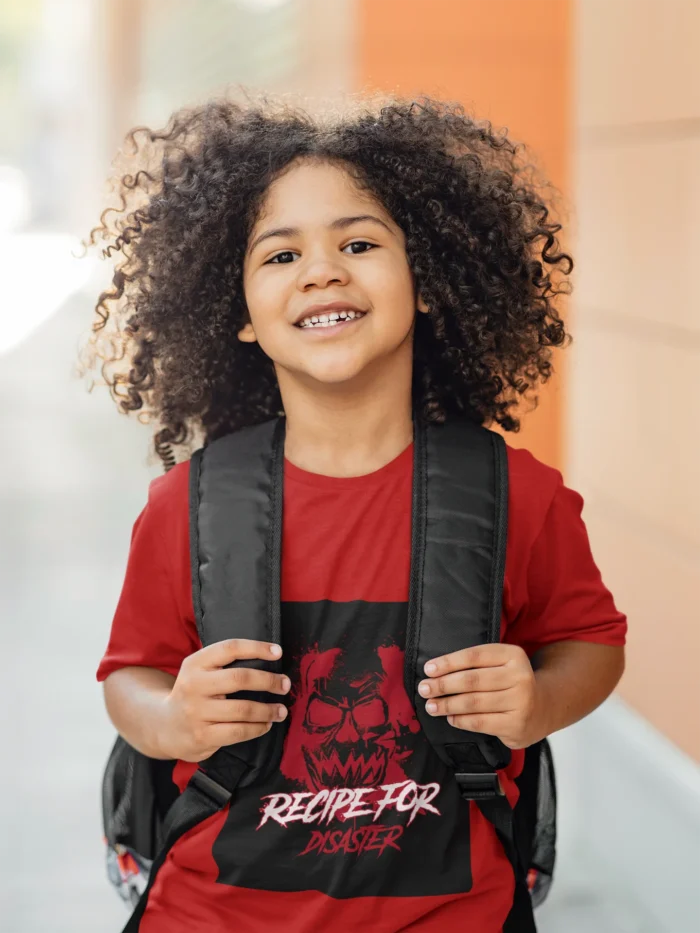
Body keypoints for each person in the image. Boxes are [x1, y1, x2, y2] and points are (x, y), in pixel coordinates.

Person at [86, 93, 626, 932]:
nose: (321, 271)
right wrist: (172, 717)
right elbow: (130, 675)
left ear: (431, 281)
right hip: (213, 913)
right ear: (236, 313)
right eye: (279, 255)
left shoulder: (517, 495)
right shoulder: (187, 506)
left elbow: (591, 644)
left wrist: (542, 701)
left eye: (361, 243)